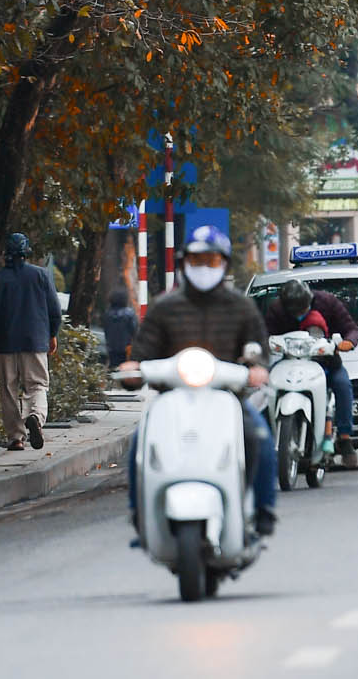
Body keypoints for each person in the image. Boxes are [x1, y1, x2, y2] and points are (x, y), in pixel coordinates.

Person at [118, 226, 280, 537]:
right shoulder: (164, 307)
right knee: (141, 441)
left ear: (224, 265)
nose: (204, 267)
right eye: (196, 260)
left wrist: (257, 368)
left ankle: (263, 509)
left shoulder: (241, 307)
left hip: (228, 398)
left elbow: (260, 352)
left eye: (212, 260)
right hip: (172, 399)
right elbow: (142, 353)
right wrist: (132, 369)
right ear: (183, 264)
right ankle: (140, 514)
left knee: (258, 435)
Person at [0, 232, 61, 450]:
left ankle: (16, 438)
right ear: (26, 252)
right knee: (37, 384)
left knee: (8, 389)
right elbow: (54, 310)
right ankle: (36, 417)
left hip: (6, 342)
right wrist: (52, 333)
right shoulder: (41, 275)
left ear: (6, 254)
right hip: (36, 341)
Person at [261, 276, 358, 469]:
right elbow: (265, 332)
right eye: (293, 310)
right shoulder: (276, 309)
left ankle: (345, 438)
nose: (298, 313)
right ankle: (264, 438)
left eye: (302, 308)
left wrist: (348, 342)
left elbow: (350, 328)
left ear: (310, 300)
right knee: (265, 387)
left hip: (325, 362)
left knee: (342, 384)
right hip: (289, 362)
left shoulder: (328, 302)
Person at [101, 287, 139, 366]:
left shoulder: (107, 314)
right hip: (126, 348)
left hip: (111, 347)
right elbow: (134, 330)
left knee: (113, 365)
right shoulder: (129, 314)